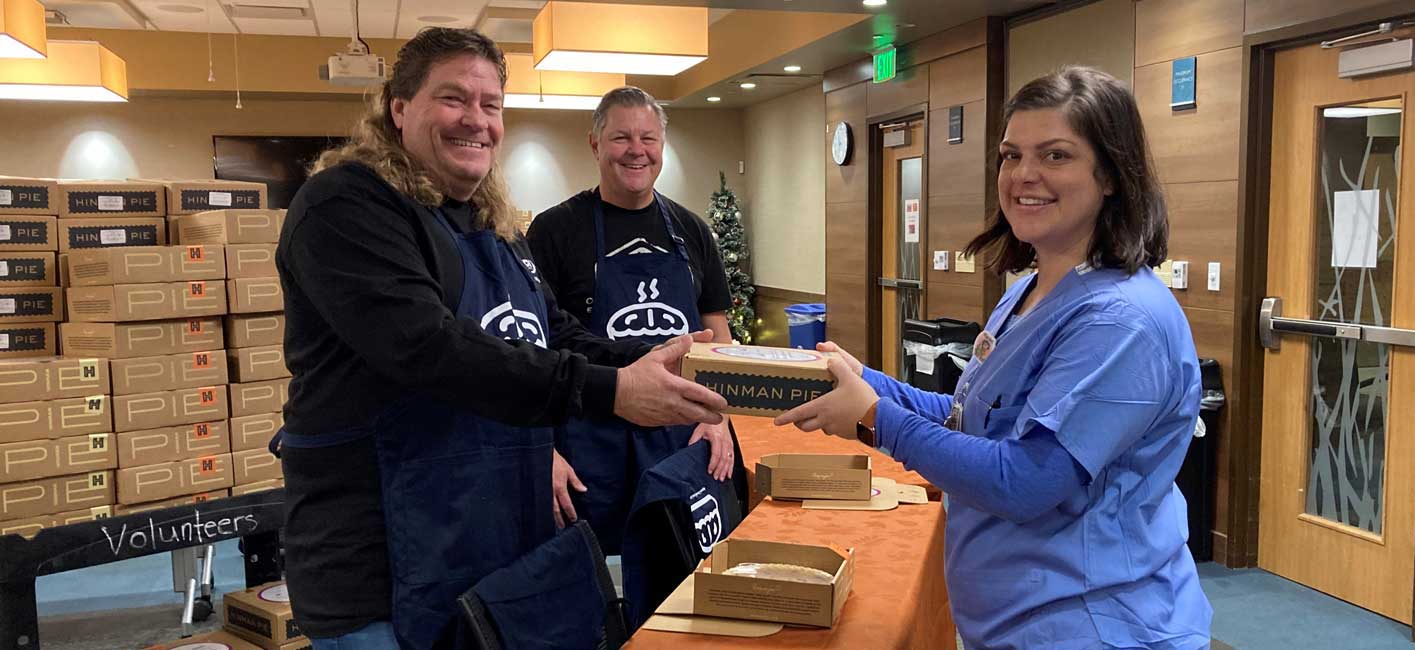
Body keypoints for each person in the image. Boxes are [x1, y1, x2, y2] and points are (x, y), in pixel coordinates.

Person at [274, 28, 727, 650]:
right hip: (383, 562)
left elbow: (554, 332)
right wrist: (613, 390)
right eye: (455, 99)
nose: (476, 121)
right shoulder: (346, 207)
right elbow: (428, 347)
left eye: (492, 106)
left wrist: (655, 361)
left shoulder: (490, 222)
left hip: (493, 540)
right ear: (398, 108)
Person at [777, 66, 1213, 649]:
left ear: (1110, 173)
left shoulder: (1121, 322)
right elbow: (973, 419)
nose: (1024, 176)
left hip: (1095, 626)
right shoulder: (1028, 291)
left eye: (1056, 156)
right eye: (1011, 156)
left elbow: (1023, 481)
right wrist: (866, 380)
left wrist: (876, 418)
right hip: (1015, 619)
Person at [526, 87, 739, 548]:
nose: (636, 150)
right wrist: (543, 450)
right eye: (621, 137)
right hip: (590, 443)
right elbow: (534, 348)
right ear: (595, 144)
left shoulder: (691, 230)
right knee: (602, 578)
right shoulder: (555, 230)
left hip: (680, 439)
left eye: (648, 138)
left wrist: (720, 418)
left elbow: (717, 335)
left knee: (683, 570)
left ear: (662, 145)